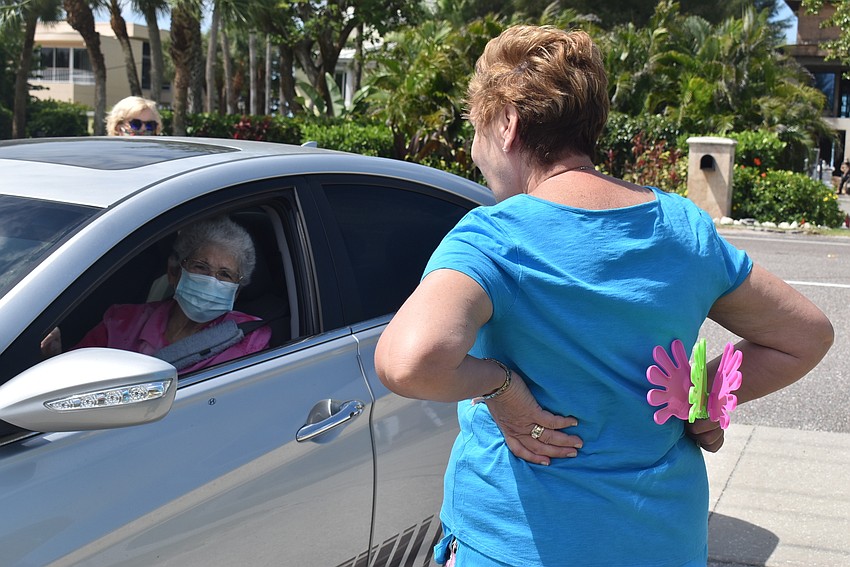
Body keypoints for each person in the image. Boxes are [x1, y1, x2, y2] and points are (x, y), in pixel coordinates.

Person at [374, 25, 834, 566]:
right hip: (658, 540)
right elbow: (805, 336)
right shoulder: (682, 227)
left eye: (474, 130)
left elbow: (409, 362)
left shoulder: (496, 236)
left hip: (517, 542)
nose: (474, 152)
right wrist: (704, 396)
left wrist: (500, 387)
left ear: (506, 125)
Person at [41, 216, 271, 374]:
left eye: (225, 275)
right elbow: (72, 380)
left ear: (237, 290)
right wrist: (53, 355)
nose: (212, 280)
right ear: (173, 272)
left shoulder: (249, 337)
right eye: (201, 267)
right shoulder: (121, 321)